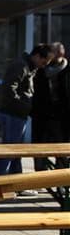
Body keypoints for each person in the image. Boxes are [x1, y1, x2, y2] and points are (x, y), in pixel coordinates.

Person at [0, 44, 54, 181]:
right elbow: (9, 90)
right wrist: (24, 106)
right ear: (37, 56)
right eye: (44, 62)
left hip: (17, 114)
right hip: (12, 114)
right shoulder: (21, 66)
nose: (43, 66)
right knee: (9, 151)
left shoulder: (29, 67)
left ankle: (17, 182)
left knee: (15, 151)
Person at [31, 42, 69, 171]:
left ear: (61, 54)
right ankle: (40, 175)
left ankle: (60, 178)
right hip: (41, 113)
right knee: (39, 147)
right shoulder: (40, 69)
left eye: (53, 54)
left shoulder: (66, 70)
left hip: (61, 115)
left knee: (61, 147)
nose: (49, 58)